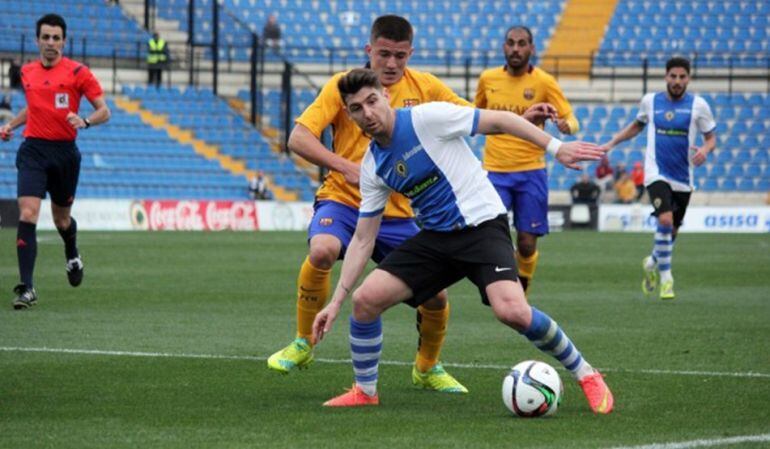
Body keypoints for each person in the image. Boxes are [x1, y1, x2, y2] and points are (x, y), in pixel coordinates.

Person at [312, 68, 614, 414]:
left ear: (384, 96)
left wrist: (556, 147)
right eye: (356, 108)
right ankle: (365, 391)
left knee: (512, 311)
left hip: (481, 225)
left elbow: (500, 120)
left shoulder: (428, 118)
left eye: (371, 101)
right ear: (348, 115)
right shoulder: (373, 166)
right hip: (436, 239)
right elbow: (364, 239)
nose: (367, 113)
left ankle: (587, 374)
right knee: (365, 301)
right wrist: (335, 302)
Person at [267, 14, 476, 393]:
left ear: (410, 53)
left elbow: (470, 117)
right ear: (369, 50)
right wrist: (344, 166)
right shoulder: (343, 86)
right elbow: (298, 138)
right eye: (384, 54)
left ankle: (427, 369)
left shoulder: (425, 86)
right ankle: (303, 342)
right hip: (344, 202)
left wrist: (521, 118)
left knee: (436, 297)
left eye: (400, 56)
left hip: (398, 215)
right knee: (323, 251)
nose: (392, 64)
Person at [1, 14, 110, 309]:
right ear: (37, 40)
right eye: (46, 37)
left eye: (56, 38)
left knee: (62, 220)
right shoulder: (27, 72)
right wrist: (11, 125)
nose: (51, 43)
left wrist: (84, 121)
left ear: (64, 41)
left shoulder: (78, 72)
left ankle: (72, 253)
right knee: (28, 213)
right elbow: (35, 107)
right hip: (33, 150)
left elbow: (105, 111)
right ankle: (28, 287)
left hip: (64, 154)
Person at [474, 25, 579, 295]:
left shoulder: (544, 82)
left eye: (522, 44)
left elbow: (570, 118)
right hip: (495, 171)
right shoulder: (487, 79)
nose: (516, 49)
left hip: (531, 171)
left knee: (527, 243)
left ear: (532, 48)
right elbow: (476, 114)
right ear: (503, 47)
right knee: (493, 235)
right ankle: (505, 289)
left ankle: (523, 285)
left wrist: (567, 126)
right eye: (511, 43)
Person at [600, 57, 716, 300]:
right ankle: (667, 280)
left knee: (671, 231)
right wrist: (611, 142)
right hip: (656, 172)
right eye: (672, 76)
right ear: (665, 77)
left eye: (682, 77)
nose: (677, 81)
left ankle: (652, 262)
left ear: (688, 78)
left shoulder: (699, 106)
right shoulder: (650, 102)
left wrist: (705, 150)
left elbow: (711, 138)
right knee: (664, 221)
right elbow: (636, 126)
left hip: (683, 177)